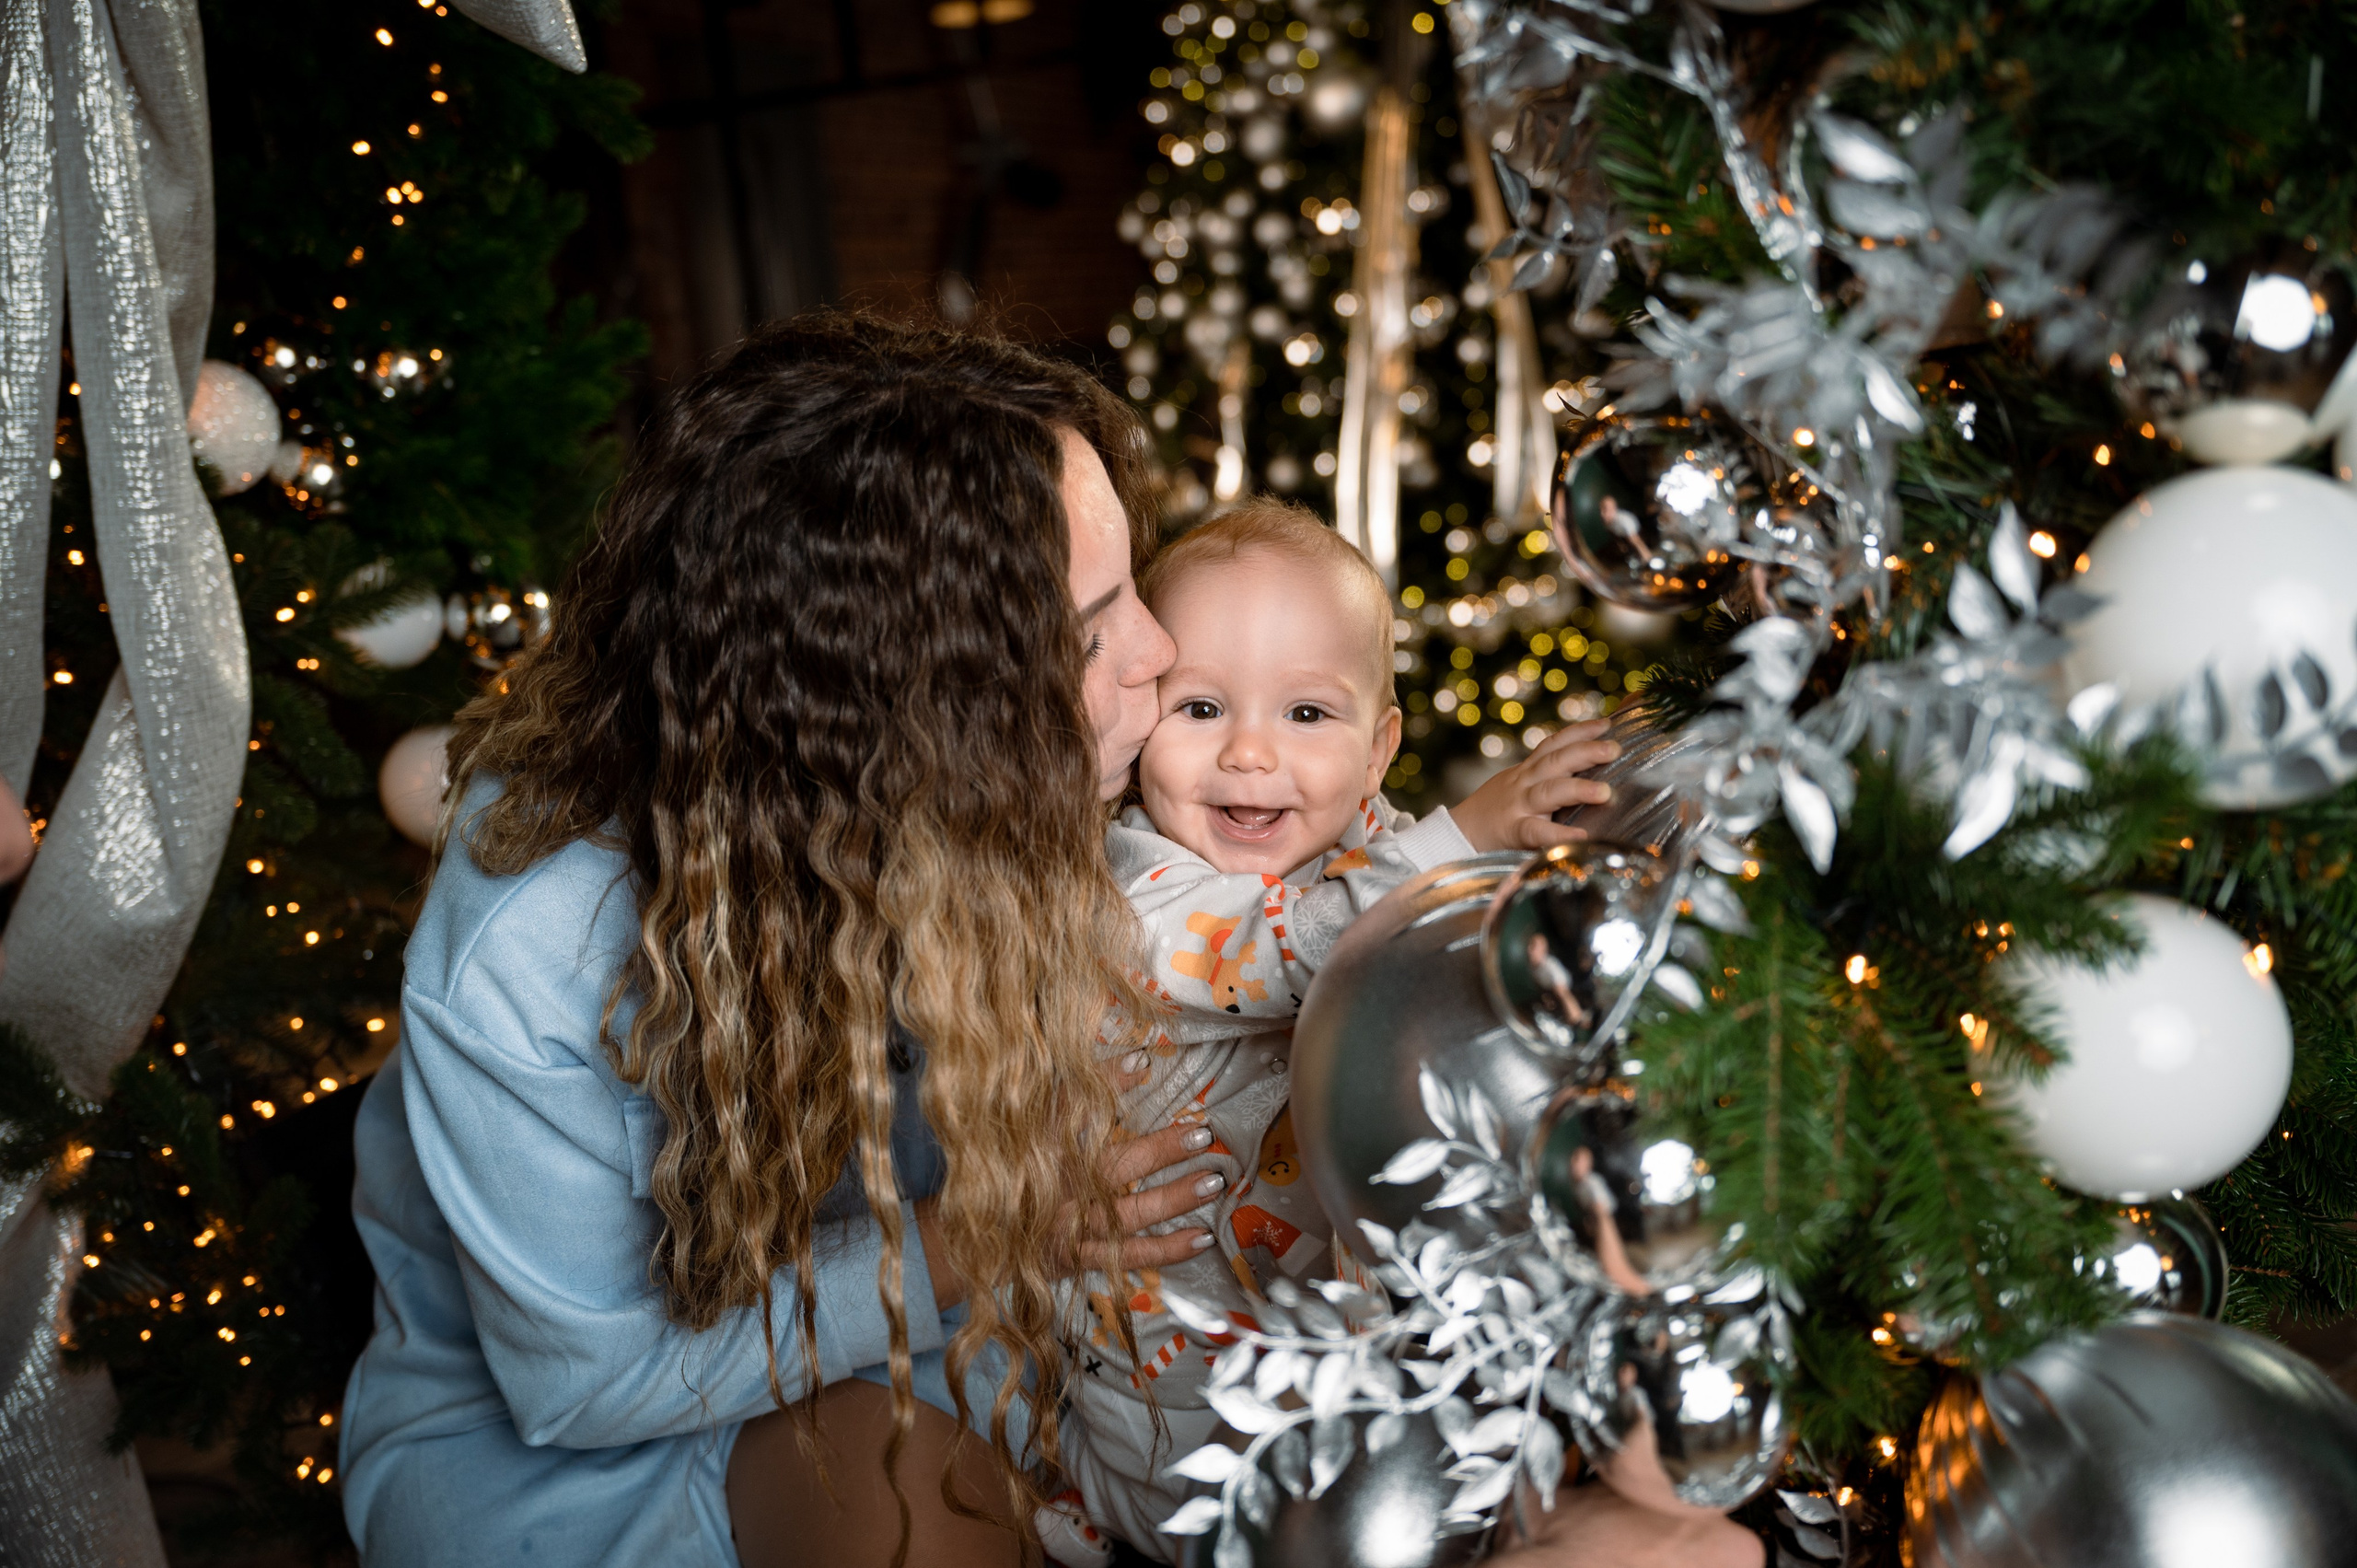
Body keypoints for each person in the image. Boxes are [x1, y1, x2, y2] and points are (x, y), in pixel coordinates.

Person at [338, 315, 1220, 1568]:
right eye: (1083, 637)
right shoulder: (533, 945)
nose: (1160, 653)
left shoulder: (977, 799)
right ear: (889, 713)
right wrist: (990, 1232)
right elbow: (583, 1385)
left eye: (1129, 587)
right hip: (588, 1449)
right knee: (921, 1512)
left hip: (922, 1317)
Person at [1039, 501, 1622, 1562]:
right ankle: (1101, 1514)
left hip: (1348, 1333)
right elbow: (1282, 950)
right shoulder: (1128, 889)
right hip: (1169, 1358)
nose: (1252, 754)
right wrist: (1466, 835)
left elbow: (1447, 956)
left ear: (1376, 749)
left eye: (1308, 715)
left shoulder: (1377, 846)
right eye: (1201, 707)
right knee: (1222, 1514)